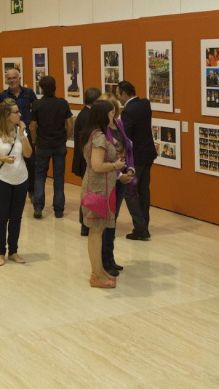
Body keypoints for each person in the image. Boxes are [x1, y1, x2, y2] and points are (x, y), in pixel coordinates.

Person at [80, 100, 125, 288]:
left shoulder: (95, 135)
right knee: (96, 231)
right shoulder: (98, 138)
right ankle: (96, 274)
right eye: (110, 113)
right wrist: (115, 166)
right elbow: (97, 165)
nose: (112, 116)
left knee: (97, 231)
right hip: (98, 189)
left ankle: (98, 270)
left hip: (102, 188)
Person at [0, 99, 33, 266]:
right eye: (16, 112)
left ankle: (14, 251)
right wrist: (2, 158)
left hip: (21, 179)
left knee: (16, 217)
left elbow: (28, 154)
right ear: (6, 115)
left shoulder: (20, 132)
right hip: (2, 180)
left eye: (19, 112)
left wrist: (23, 134)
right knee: (1, 217)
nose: (20, 114)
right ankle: (0, 252)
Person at [96, 93, 135, 277]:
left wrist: (130, 170)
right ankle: (103, 260)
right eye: (109, 110)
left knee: (113, 219)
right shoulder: (100, 132)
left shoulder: (119, 124)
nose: (112, 113)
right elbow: (101, 160)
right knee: (106, 221)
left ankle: (110, 257)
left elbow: (127, 148)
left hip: (121, 177)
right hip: (108, 179)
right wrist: (118, 174)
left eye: (113, 109)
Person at [117, 81, 157, 240]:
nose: (119, 99)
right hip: (148, 154)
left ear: (125, 93)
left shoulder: (128, 111)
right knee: (144, 190)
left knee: (130, 191)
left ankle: (140, 228)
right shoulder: (145, 104)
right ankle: (144, 224)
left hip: (136, 158)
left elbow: (126, 137)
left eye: (119, 94)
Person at [29, 75, 73, 219]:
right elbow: (70, 124)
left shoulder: (37, 104)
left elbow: (33, 127)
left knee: (40, 175)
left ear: (41, 88)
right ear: (55, 87)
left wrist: (35, 141)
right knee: (59, 177)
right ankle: (59, 209)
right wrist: (65, 138)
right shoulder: (62, 103)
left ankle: (38, 207)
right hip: (59, 144)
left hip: (43, 144)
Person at [0, 68, 37, 199]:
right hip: (9, 134)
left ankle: (32, 190)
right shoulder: (2, 96)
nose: (12, 80)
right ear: (6, 80)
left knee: (30, 161)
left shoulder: (29, 93)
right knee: (12, 160)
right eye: (9, 78)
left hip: (26, 132)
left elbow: (35, 111)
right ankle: (14, 188)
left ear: (19, 78)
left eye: (14, 78)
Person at [72, 88, 101, 236]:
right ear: (95, 101)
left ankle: (86, 223)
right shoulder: (87, 117)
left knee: (88, 192)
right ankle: (85, 224)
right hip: (86, 161)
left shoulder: (83, 114)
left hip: (84, 160)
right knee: (88, 193)